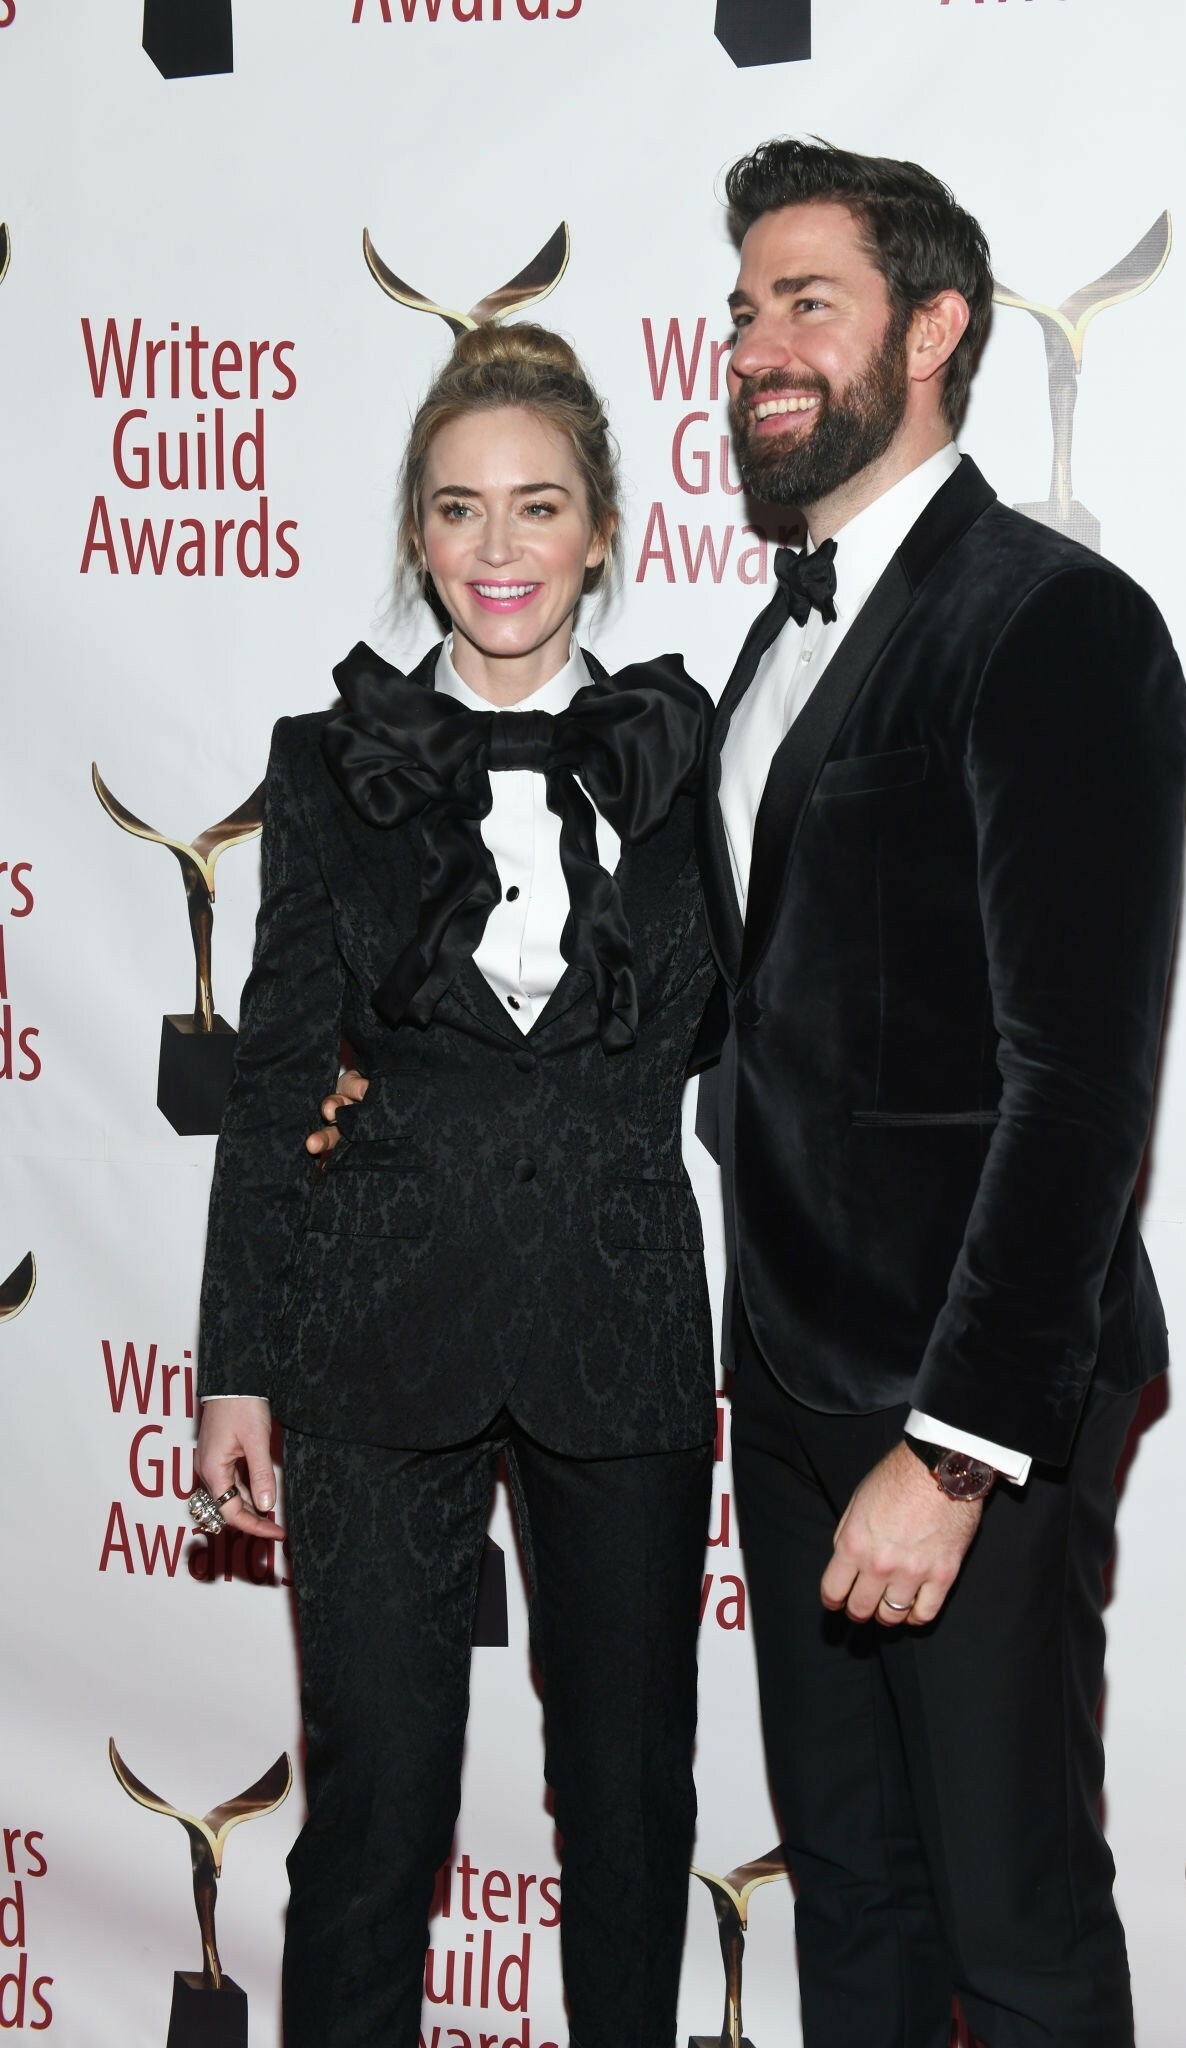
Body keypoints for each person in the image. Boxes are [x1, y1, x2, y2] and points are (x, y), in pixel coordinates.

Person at [693, 140, 1186, 2048]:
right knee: (856, 1902)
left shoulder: (1052, 620)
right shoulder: (776, 632)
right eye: (745, 308)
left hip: (965, 1400)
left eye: (806, 301)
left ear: (932, 329)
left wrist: (958, 1452)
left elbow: (1075, 1092)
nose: (758, 344)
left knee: (1014, 1927)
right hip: (786, 1375)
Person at [193, 321, 718, 2048]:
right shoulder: (324, 762)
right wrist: (239, 1363)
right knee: (373, 1817)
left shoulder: (683, 751)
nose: (499, 548)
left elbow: (747, 1019)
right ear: (418, 537)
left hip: (622, 1326)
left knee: (631, 1810)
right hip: (370, 1336)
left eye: (537, 506)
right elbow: (279, 1071)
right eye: (458, 508)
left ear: (600, 531)